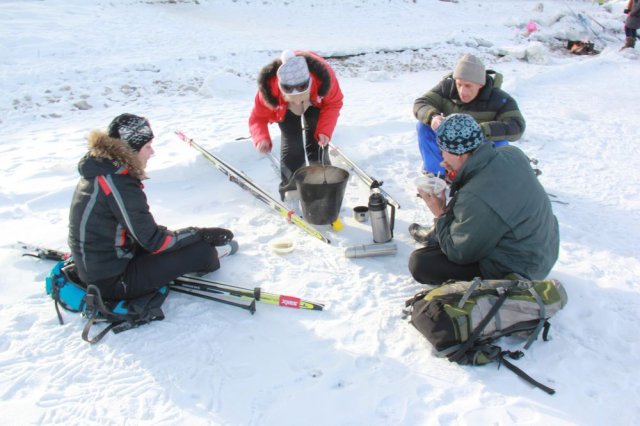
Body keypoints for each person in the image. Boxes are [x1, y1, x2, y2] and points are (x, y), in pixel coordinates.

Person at [68, 113, 235, 300]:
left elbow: (141, 232)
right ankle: (214, 254)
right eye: (147, 146)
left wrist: (191, 236)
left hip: (105, 265)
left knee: (182, 241)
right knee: (202, 251)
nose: (152, 152)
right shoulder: (117, 183)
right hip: (111, 282)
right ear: (130, 150)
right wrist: (200, 234)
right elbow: (153, 240)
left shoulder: (103, 170)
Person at [408, 114, 559, 285]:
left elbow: (459, 253)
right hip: (544, 249)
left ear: (457, 153)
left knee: (421, 263)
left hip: (523, 268)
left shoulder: (475, 194)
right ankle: (440, 235)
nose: (442, 159)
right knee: (454, 230)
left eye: (443, 151)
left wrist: (440, 213)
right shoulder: (512, 153)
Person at [249, 50, 344, 200]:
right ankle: (292, 186)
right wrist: (261, 138)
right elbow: (257, 119)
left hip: (314, 101)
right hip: (283, 106)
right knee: (292, 142)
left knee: (316, 138)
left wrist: (324, 131)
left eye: (300, 98)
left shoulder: (325, 80)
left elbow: (334, 104)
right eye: (293, 99)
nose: (298, 103)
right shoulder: (268, 90)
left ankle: (321, 178)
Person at [413, 53, 526, 178]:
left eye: (468, 86)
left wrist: (481, 131)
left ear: (480, 85)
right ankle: (436, 175)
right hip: (449, 146)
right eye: (459, 84)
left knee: (500, 140)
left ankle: (488, 178)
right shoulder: (446, 88)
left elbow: (517, 126)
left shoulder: (499, 98)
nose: (462, 91)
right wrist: (433, 117)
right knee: (423, 127)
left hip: (479, 148)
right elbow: (421, 103)